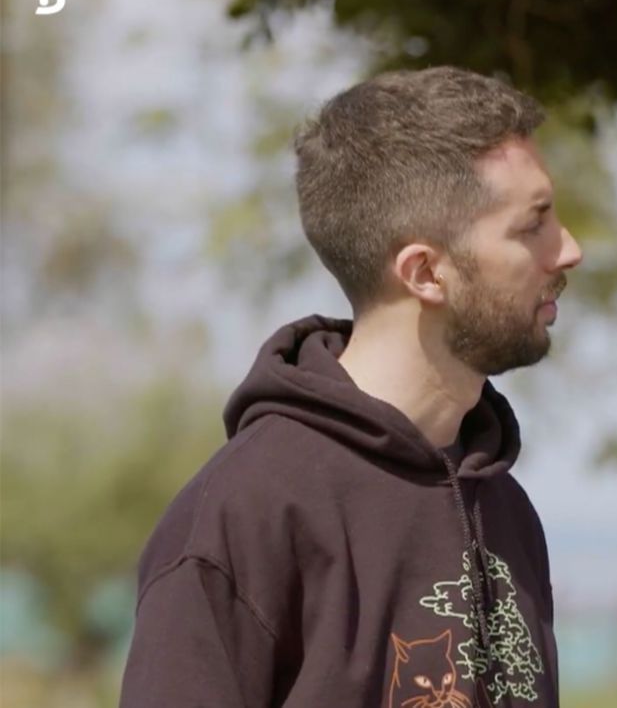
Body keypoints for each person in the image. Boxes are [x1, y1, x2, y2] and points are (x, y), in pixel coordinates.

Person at [120, 66, 581, 707]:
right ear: (425, 272)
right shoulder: (244, 517)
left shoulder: (504, 510)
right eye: (532, 226)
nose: (568, 251)